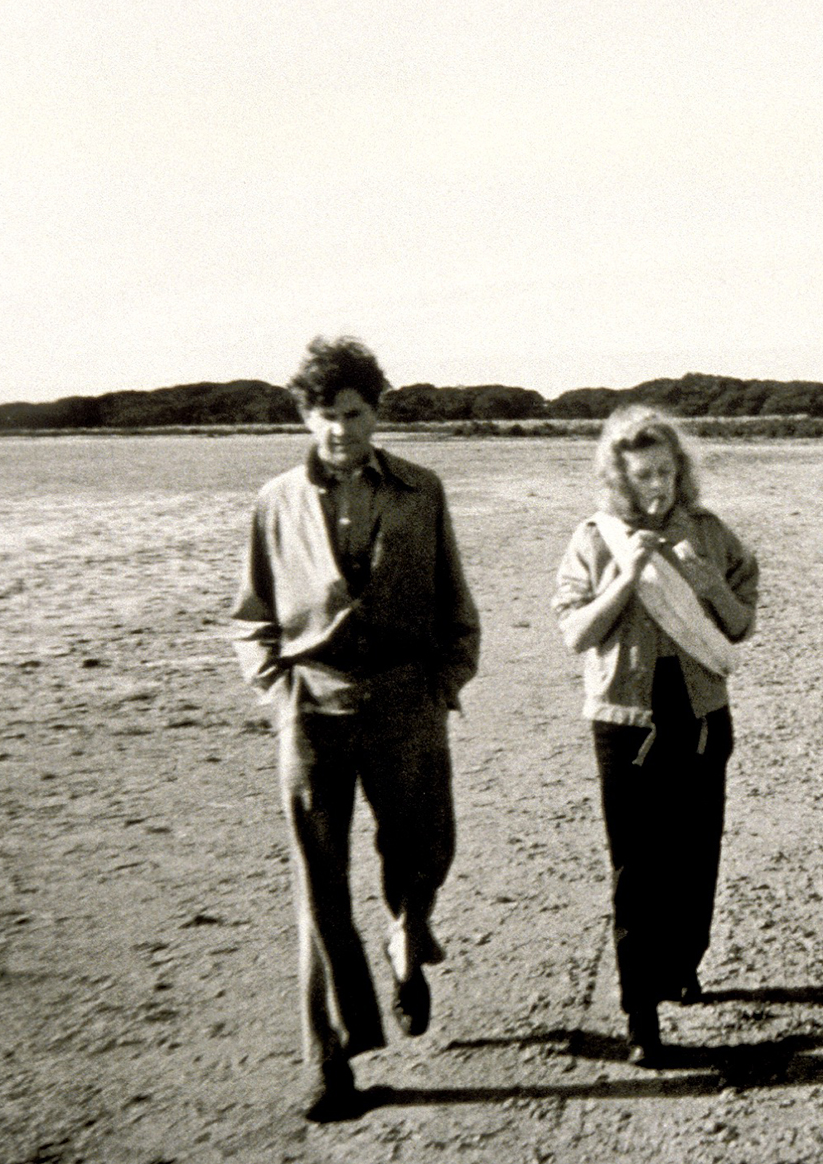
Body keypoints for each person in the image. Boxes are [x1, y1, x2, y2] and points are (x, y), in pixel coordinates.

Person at [229, 336, 481, 1122]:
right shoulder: (275, 501)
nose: (338, 430)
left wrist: (444, 679)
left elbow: (454, 606)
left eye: (352, 413)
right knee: (319, 890)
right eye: (323, 415)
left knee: (424, 853)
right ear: (304, 417)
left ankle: (408, 939)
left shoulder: (420, 490)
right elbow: (251, 615)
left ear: (376, 412)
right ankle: (329, 1060)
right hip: (313, 712)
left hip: (407, 704)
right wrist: (274, 684)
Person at [553, 406, 759, 1067]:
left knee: (695, 853)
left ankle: (684, 961)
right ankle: (640, 1012)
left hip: (700, 712)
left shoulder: (709, 533)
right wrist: (622, 578)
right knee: (635, 868)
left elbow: (739, 627)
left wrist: (703, 584)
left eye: (667, 473)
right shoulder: (594, 539)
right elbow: (576, 633)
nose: (658, 488)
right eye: (643, 476)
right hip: (624, 719)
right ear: (619, 477)